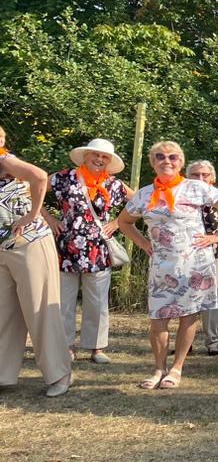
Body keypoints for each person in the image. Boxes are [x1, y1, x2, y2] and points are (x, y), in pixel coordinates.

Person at [119, 141, 218, 390]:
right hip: (162, 265)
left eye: (173, 157)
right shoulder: (144, 194)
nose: (167, 161)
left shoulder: (195, 187)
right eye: (160, 157)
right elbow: (124, 222)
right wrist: (143, 243)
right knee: (158, 320)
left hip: (195, 263)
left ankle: (177, 367)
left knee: (188, 316)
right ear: (153, 162)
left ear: (181, 162)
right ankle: (158, 368)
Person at [43, 138, 132, 364]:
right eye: (96, 155)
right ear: (85, 156)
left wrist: (119, 223)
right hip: (67, 246)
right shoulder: (63, 178)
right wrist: (50, 219)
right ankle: (66, 346)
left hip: (98, 249)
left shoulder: (114, 184)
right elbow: (32, 190)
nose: (99, 160)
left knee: (98, 300)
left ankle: (97, 347)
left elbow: (141, 201)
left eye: (104, 157)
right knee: (64, 300)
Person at [0, 129, 73, 397]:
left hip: (29, 243)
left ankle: (60, 373)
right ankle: (3, 374)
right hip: (3, 249)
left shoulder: (4, 160)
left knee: (40, 309)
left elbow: (40, 176)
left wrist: (32, 214)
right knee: (4, 312)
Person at [186, 160, 218, 356]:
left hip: (216, 252)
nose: (200, 179)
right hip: (188, 254)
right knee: (188, 297)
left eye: (205, 175)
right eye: (196, 175)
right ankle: (185, 340)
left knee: (214, 297)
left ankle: (212, 340)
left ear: (213, 178)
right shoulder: (180, 197)